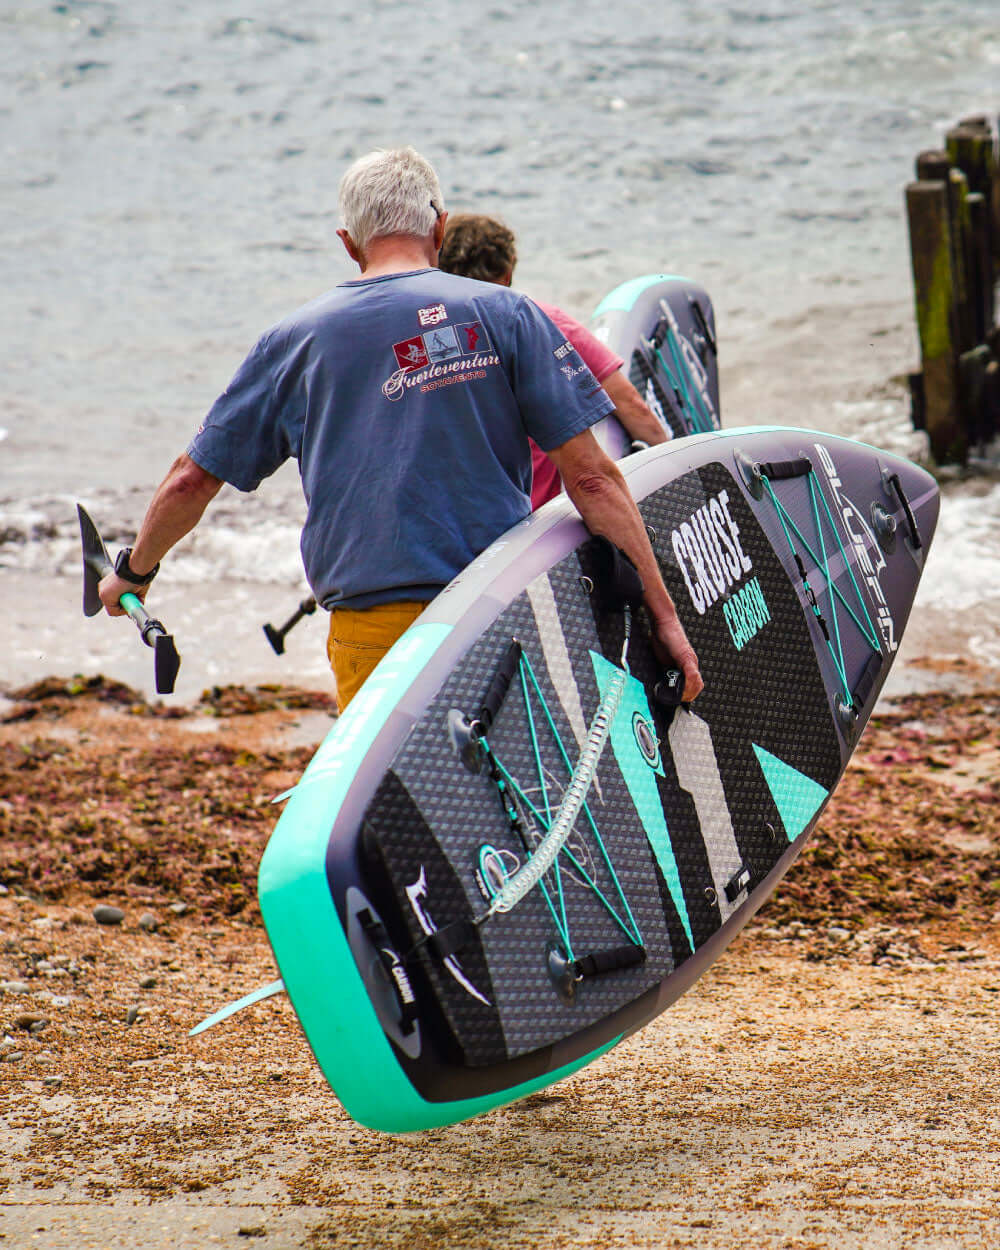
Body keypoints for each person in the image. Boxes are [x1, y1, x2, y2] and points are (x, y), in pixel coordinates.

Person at [99, 148, 702, 709]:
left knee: (401, 814)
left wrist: (134, 569)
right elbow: (594, 482)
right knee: (520, 798)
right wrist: (665, 619)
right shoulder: (507, 313)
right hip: (493, 607)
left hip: (372, 629)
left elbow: (190, 481)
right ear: (439, 226)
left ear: (347, 243)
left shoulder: (294, 342)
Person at [438, 213, 669, 508]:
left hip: (467, 521)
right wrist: (675, 467)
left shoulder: (431, 344)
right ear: (507, 274)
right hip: (536, 521)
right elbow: (629, 404)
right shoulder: (541, 321)